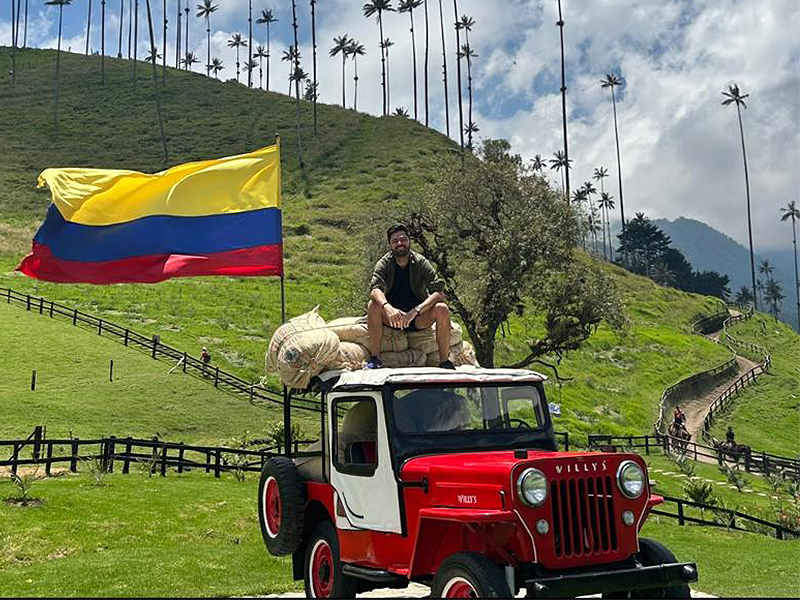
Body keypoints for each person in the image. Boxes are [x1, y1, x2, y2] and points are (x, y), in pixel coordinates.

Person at [366, 224, 455, 370]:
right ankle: (375, 358)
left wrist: (416, 311)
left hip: (417, 318)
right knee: (373, 305)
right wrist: (388, 308)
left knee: (442, 308)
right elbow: (375, 290)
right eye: (395, 241)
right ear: (390, 245)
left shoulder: (420, 262)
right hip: (393, 318)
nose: (399, 243)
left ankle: (445, 361)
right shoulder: (384, 263)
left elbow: (439, 293)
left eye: (403, 239)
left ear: (409, 241)